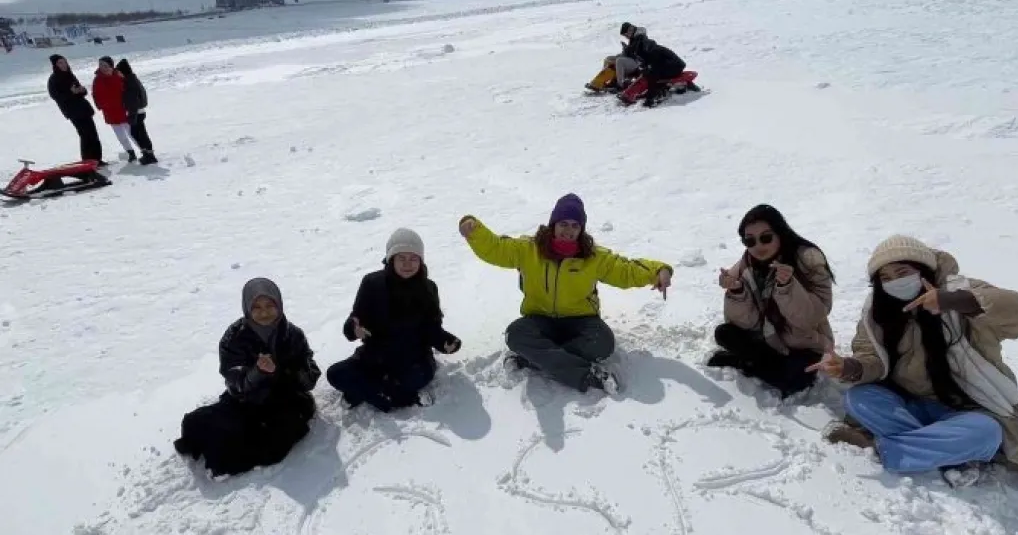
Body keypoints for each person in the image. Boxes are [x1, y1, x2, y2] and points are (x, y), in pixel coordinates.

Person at [809, 235, 1018, 487]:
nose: (894, 283)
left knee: (987, 432)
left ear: (923, 269)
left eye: (902, 272)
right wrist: (849, 368)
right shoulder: (878, 310)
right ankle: (944, 449)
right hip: (912, 404)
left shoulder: (960, 292)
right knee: (859, 398)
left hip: (968, 410)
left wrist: (955, 302)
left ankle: (880, 448)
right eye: (885, 278)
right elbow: (871, 357)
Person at [459, 193, 673, 394]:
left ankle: (533, 359)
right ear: (553, 224)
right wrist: (474, 230)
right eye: (563, 224)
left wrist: (658, 271)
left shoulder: (593, 257)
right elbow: (497, 248)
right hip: (540, 319)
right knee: (515, 334)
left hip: (581, 322)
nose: (568, 230)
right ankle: (586, 376)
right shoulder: (528, 249)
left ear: (581, 230)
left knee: (604, 343)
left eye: (574, 225)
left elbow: (625, 270)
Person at [173, 278, 321, 477]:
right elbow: (234, 383)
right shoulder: (234, 336)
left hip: (286, 401)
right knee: (196, 422)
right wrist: (256, 373)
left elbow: (310, 377)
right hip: (246, 400)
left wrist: (283, 371)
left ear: (279, 305)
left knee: (274, 445)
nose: (264, 312)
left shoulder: (293, 334)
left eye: (270, 305)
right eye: (257, 307)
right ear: (247, 308)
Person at [326, 228, 462, 412]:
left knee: (415, 377)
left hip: (414, 360)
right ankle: (393, 396)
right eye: (401, 258)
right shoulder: (372, 283)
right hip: (375, 356)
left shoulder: (428, 288)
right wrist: (353, 328)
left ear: (421, 261)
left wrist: (446, 342)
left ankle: (369, 393)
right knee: (335, 374)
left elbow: (432, 328)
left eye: (413, 258)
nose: (407, 264)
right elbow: (354, 321)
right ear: (391, 259)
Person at [708, 204, 835, 398]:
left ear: (780, 233)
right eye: (750, 241)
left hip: (803, 343)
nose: (758, 246)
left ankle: (747, 362)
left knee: (794, 380)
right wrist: (737, 292)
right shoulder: (748, 263)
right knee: (724, 333)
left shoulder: (808, 260)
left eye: (766, 238)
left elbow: (810, 318)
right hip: (766, 338)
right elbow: (744, 322)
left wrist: (787, 288)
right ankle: (758, 363)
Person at [46, 54, 105, 166]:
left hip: (84, 109)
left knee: (93, 134)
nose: (64, 65)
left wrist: (81, 90)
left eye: (64, 62)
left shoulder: (70, 75)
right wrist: (71, 93)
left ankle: (97, 159)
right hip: (73, 112)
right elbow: (56, 96)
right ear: (55, 65)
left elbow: (82, 92)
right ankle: (87, 161)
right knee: (85, 135)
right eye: (60, 63)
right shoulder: (53, 80)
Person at [617, 22, 687, 106]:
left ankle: (654, 96)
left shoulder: (650, 50)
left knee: (651, 75)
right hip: (670, 64)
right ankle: (633, 93)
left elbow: (655, 71)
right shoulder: (646, 49)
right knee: (648, 73)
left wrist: (650, 99)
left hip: (675, 66)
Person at [91, 56, 139, 162]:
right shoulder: (97, 79)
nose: (103, 68)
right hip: (110, 112)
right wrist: (101, 105)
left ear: (111, 66)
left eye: (105, 65)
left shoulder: (119, 75)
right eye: (100, 65)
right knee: (121, 136)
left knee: (132, 133)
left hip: (123, 110)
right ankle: (130, 152)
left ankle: (144, 150)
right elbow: (95, 94)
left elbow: (129, 89)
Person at [116, 59, 158, 165]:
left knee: (138, 134)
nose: (118, 74)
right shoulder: (132, 80)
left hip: (136, 112)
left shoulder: (129, 83)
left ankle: (149, 155)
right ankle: (148, 154)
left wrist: (131, 115)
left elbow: (132, 101)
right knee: (140, 133)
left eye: (119, 72)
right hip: (138, 111)